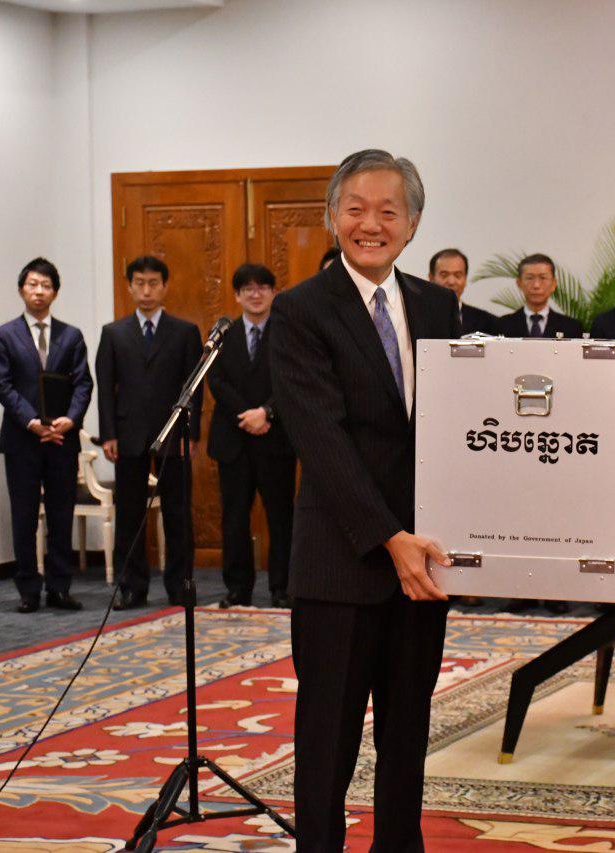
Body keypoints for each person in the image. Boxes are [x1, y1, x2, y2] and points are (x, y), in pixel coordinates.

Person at [268, 149, 460, 850]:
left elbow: (458, 425)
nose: (370, 224)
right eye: (355, 209)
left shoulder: (437, 305)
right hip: (340, 562)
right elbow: (322, 441)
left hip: (423, 563)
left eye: (388, 211)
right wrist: (389, 537)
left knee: (407, 734)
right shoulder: (300, 310)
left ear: (412, 224)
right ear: (332, 217)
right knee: (328, 741)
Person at [95, 256, 202, 610]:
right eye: (139, 283)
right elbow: (106, 387)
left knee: (178, 514)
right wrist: (108, 434)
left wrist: (191, 435)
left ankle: (180, 586)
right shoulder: (113, 333)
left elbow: (194, 388)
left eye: (153, 283)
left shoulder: (185, 332)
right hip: (128, 435)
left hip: (174, 435)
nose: (146, 290)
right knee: (129, 515)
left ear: (165, 286)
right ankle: (132, 587)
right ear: (129, 287)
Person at [0, 258, 92, 613]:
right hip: (22, 440)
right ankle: (28, 589)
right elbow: (2, 385)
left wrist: (70, 420)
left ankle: (59, 588)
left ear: (55, 293)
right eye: (32, 284)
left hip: (62, 439)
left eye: (46, 286)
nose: (38, 291)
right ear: (21, 289)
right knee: (24, 516)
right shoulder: (4, 335)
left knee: (61, 515)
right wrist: (32, 422)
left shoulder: (71, 335)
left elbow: (83, 383)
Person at [206, 263, 295, 609]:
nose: (255, 295)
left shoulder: (288, 333)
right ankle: (237, 589)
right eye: (247, 289)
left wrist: (266, 413)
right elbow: (216, 381)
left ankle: (282, 588)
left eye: (262, 288)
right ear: (237, 296)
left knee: (281, 518)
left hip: (276, 439)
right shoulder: (223, 334)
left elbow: (293, 380)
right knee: (234, 519)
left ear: (274, 293)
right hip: (234, 440)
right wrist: (247, 415)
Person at [495, 254, 583, 338]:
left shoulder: (571, 327)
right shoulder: (503, 325)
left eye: (543, 278)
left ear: (553, 284)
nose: (536, 285)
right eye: (529, 278)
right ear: (519, 283)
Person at [429, 248, 496, 335]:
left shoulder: (487, 322)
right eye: (444, 275)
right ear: (431, 278)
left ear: (465, 279)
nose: (451, 282)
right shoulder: (417, 317)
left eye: (458, 275)